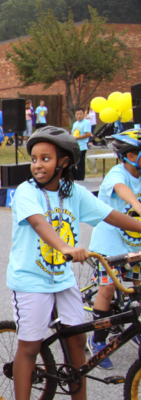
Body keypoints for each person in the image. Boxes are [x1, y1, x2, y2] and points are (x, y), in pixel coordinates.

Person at [6, 126, 132, 400]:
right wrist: (64, 247)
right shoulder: (26, 192)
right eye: (34, 158)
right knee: (30, 345)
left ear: (63, 162)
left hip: (62, 280)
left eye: (46, 158)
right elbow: (40, 224)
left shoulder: (73, 193)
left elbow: (111, 216)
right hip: (31, 280)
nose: (37, 164)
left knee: (78, 342)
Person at [87, 130, 141, 370]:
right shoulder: (117, 174)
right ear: (130, 155)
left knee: (138, 291)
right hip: (109, 245)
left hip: (135, 245)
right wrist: (138, 206)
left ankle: (136, 329)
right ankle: (98, 340)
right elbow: (125, 193)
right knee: (108, 289)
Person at [71, 108, 92, 181]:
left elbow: (88, 134)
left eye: (80, 114)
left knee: (80, 165)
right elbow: (73, 133)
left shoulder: (86, 123)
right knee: (72, 165)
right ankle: (75, 178)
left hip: (82, 147)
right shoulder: (75, 124)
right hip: (74, 147)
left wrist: (77, 138)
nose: (79, 116)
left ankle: (81, 180)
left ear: (83, 114)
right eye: (77, 114)